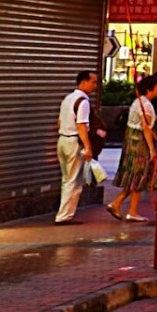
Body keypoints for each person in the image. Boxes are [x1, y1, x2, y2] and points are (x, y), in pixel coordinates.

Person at [108, 74, 157, 223]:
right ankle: (131, 211)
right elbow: (146, 128)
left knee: (134, 177)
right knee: (139, 176)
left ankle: (117, 204)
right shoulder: (146, 105)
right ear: (150, 89)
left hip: (131, 141)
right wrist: (151, 149)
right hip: (139, 145)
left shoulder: (138, 102)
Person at [55, 70, 100, 225]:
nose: (95, 85)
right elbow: (81, 125)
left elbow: (59, 122)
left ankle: (65, 214)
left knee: (67, 178)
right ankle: (64, 216)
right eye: (93, 82)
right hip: (74, 142)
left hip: (62, 140)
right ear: (83, 82)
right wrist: (88, 147)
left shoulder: (68, 98)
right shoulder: (83, 102)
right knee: (73, 180)